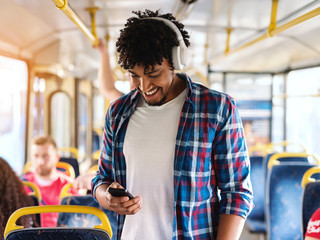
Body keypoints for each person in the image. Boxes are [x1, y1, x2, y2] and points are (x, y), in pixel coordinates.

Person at [91, 9, 254, 239]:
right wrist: (105, 197)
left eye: (153, 73)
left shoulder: (217, 109)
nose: (144, 86)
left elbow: (237, 193)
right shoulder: (117, 113)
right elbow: (102, 178)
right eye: (134, 75)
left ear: (177, 61)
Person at [22, 135, 77, 227]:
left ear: (57, 157)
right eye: (36, 156)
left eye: (45, 156)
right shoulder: (23, 184)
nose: (40, 162)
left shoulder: (69, 185)